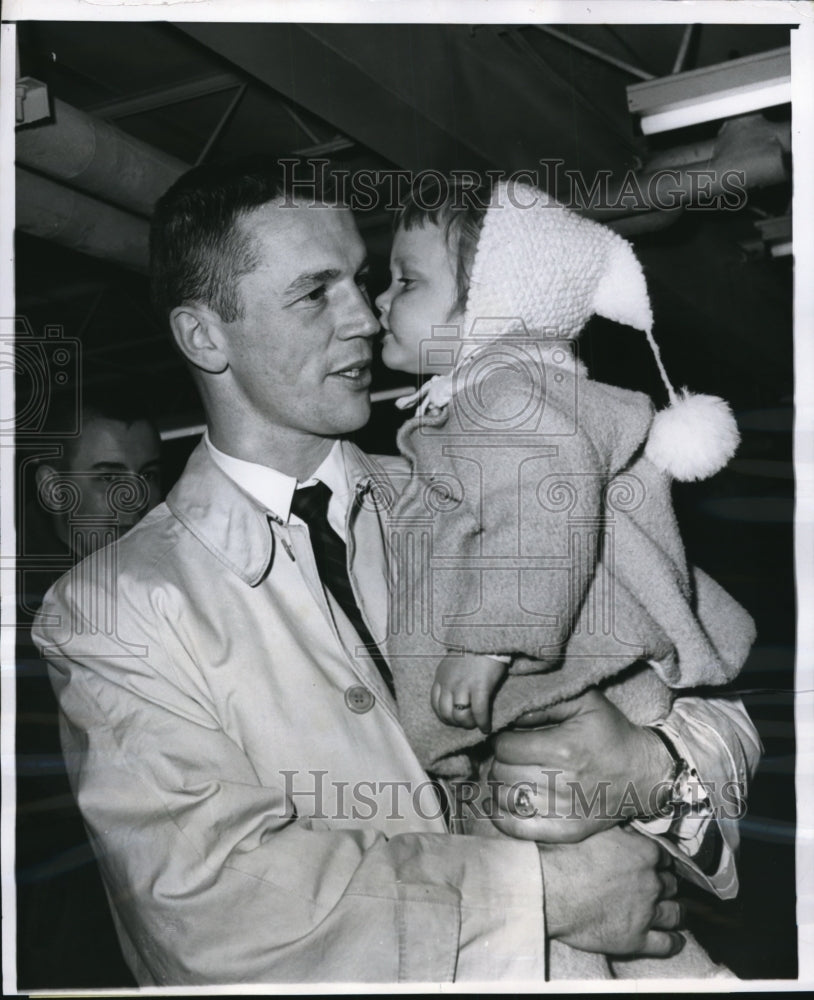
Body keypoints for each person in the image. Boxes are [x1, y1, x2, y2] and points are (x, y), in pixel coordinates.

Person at [31, 158, 759, 986]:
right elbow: (209, 908)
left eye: (365, 281)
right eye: (315, 294)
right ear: (204, 335)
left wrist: (648, 769)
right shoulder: (109, 609)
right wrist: (541, 895)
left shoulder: (480, 483)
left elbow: (709, 693)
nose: (366, 320)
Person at [374, 177, 759, 976]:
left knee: (561, 932)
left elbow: (545, 506)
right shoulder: (518, 391)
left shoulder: (498, 395)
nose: (380, 301)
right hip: (592, 693)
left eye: (408, 282)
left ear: (492, 311)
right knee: (627, 914)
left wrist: (487, 642)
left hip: (552, 697)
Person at [17, 385, 161, 989]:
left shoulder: (164, 597)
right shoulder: (21, 622)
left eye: (147, 474)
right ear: (54, 489)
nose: (134, 497)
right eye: (107, 477)